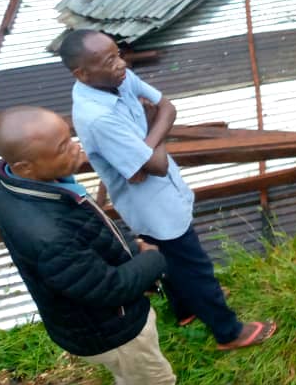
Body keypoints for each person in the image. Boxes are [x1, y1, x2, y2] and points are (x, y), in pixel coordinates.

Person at [59, 29, 276, 351]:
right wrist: (152, 128)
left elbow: (169, 108)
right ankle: (229, 332)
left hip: (159, 191)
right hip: (152, 205)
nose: (121, 64)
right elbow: (156, 164)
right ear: (83, 73)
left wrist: (148, 142)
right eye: (110, 60)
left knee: (169, 257)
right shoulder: (98, 118)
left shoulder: (115, 78)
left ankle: (185, 309)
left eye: (118, 54)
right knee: (195, 266)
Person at [0, 107, 185, 385]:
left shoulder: (4, 176)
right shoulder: (49, 238)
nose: (76, 149)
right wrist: (152, 260)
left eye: (69, 138)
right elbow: (109, 288)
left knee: (131, 379)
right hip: (113, 329)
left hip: (85, 325)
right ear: (26, 167)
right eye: (62, 148)